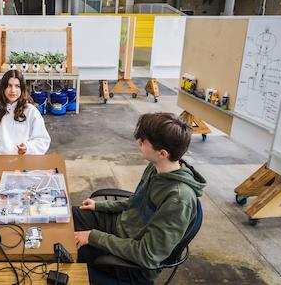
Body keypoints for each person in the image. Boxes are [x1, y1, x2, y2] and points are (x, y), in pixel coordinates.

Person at [73, 112, 206, 284]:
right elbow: (135, 202)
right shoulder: (156, 167)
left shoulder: (178, 199)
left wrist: (93, 237)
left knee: (65, 252)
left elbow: (147, 255)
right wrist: (101, 206)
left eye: (143, 141)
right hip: (121, 228)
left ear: (162, 153)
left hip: (133, 264)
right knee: (66, 217)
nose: (139, 143)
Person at [0, 69, 51, 155]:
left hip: (24, 162)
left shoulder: (31, 112)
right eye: (9, 86)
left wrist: (28, 148)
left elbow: (42, 140)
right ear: (3, 88)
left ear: (22, 89)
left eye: (17, 86)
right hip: (0, 162)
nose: (13, 90)